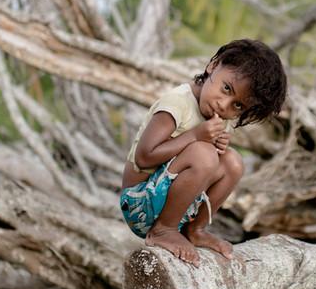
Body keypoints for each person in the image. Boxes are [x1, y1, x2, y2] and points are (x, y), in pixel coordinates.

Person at [119, 39, 287, 266]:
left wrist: (218, 146)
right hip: (139, 203)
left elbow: (206, 163)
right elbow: (144, 157)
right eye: (226, 88)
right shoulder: (177, 103)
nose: (224, 105)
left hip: (173, 206)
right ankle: (163, 231)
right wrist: (196, 136)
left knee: (233, 162)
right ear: (213, 65)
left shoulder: (221, 116)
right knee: (203, 154)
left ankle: (195, 230)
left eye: (238, 106)